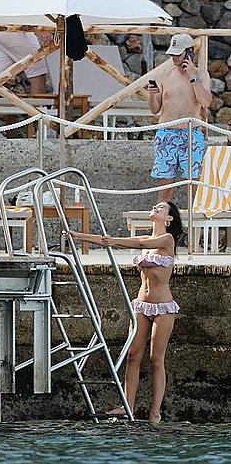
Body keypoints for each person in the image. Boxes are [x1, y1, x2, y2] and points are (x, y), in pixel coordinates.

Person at [63, 200, 183, 423]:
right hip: (141, 305)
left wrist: (114, 241)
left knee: (156, 359)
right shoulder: (147, 241)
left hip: (163, 308)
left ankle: (154, 413)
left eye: (161, 208)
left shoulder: (166, 239)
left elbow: (135, 243)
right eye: (155, 206)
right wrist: (77, 236)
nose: (156, 208)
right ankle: (127, 405)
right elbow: (112, 242)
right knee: (132, 355)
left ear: (169, 219)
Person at [148, 33, 212, 202]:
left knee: (193, 184)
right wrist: (152, 95)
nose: (174, 57)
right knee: (165, 185)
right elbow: (155, 109)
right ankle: (163, 223)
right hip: (166, 133)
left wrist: (193, 77)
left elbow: (205, 102)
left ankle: (194, 225)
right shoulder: (163, 75)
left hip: (191, 133)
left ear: (189, 53)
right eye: (173, 54)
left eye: (178, 53)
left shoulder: (201, 75)